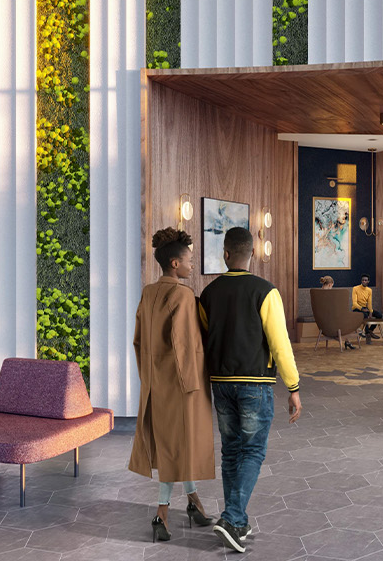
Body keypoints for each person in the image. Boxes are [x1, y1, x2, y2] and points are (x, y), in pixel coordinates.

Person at [198, 227, 301, 553]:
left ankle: (237, 522)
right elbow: (280, 343)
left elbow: (203, 339)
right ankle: (231, 518)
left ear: (225, 254)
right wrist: (293, 387)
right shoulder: (266, 291)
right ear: (251, 254)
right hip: (255, 384)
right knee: (253, 451)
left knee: (231, 451)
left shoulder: (209, 294)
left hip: (221, 386)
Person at [128, 229, 216, 542]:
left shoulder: (148, 292)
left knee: (177, 446)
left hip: (155, 383)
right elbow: (185, 346)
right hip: (182, 386)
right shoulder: (182, 295)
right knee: (176, 448)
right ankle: (161, 512)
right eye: (190, 260)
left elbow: (138, 340)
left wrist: (148, 376)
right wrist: (194, 384)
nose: (193, 265)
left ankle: (193, 501)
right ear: (175, 263)